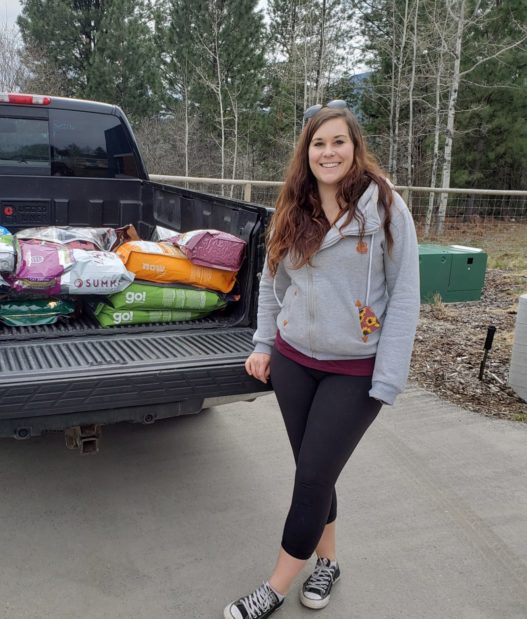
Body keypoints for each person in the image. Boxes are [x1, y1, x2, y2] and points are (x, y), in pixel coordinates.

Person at [224, 102, 420, 619]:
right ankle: (327, 561)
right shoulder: (292, 207)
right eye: (318, 143)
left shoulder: (386, 209)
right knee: (317, 473)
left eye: (338, 141)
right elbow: (272, 285)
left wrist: (388, 378)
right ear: (305, 152)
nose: (328, 152)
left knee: (310, 477)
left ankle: (274, 587)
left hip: (354, 370)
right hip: (294, 362)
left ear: (355, 147)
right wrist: (264, 345)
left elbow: (404, 296)